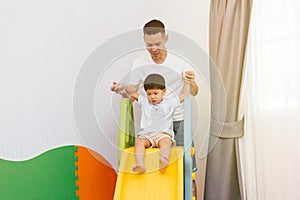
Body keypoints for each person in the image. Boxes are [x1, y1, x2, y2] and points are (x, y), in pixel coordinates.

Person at [111, 19, 199, 171]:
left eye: (157, 44)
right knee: (155, 165)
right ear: (144, 41)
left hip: (178, 119)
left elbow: (192, 92)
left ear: (166, 39)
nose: (153, 49)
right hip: (153, 125)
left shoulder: (180, 62)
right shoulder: (139, 63)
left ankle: (190, 192)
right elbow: (132, 91)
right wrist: (120, 88)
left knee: (187, 167)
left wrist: (191, 82)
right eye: (149, 45)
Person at [128, 73, 189, 173]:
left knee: (166, 142)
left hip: (163, 134)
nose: (152, 97)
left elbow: (184, 95)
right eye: (149, 94)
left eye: (156, 93)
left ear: (164, 91)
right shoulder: (144, 101)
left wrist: (187, 82)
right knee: (139, 141)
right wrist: (119, 87)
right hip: (147, 135)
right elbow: (131, 92)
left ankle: (164, 160)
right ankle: (140, 164)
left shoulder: (169, 102)